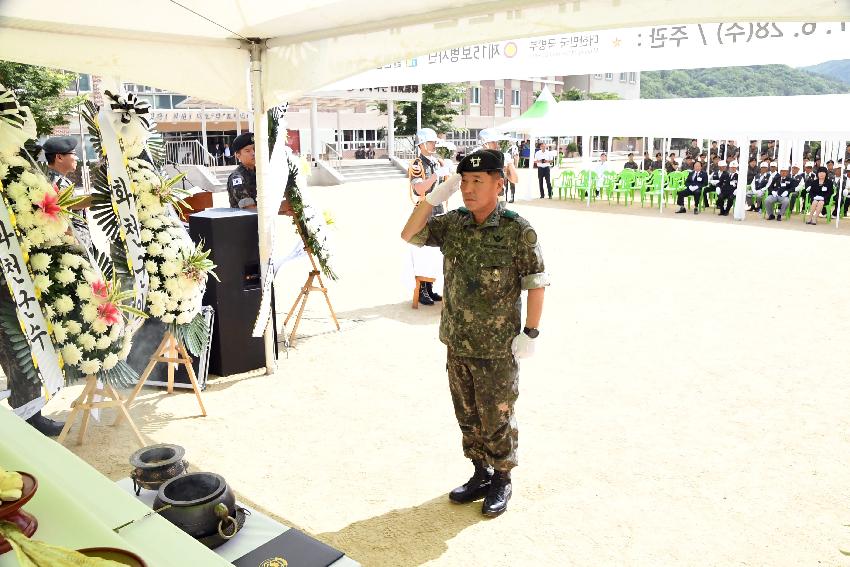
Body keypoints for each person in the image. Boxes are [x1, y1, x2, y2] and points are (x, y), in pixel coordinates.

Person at [400, 149, 548, 517]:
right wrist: (433, 197)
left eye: (477, 181)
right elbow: (409, 233)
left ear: (499, 184)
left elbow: (536, 282)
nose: (468, 189)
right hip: (458, 340)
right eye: (463, 181)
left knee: (496, 416)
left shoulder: (517, 229)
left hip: (498, 348)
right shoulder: (453, 223)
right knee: (466, 413)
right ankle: (480, 472)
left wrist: (530, 332)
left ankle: (501, 477)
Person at [406, 127, 447, 305]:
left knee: (434, 252)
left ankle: (430, 288)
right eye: (431, 142)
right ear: (421, 144)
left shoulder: (436, 162)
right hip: (423, 211)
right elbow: (419, 188)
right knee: (422, 251)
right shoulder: (417, 164)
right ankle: (422, 290)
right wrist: (436, 175)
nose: (434, 145)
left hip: (437, 210)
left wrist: (446, 173)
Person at [477, 129, 519, 202]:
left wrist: (509, 162)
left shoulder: (502, 157)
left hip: (498, 199)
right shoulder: (476, 157)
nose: (497, 145)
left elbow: (514, 179)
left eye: (497, 142)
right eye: (493, 142)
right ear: (484, 143)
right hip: (481, 199)